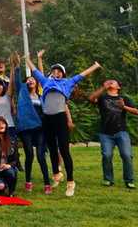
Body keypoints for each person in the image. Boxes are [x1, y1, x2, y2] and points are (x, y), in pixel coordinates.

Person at [27, 52, 101, 197]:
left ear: (63, 74)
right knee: (52, 149)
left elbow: (82, 74)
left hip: (60, 118)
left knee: (64, 150)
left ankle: (71, 182)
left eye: (59, 71)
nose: (56, 73)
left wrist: (95, 66)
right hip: (47, 119)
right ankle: (56, 174)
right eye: (54, 71)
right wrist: (27, 59)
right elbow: (35, 71)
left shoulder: (68, 82)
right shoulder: (46, 82)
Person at [10, 52, 51, 194]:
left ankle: (47, 183)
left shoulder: (41, 95)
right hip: (26, 128)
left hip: (40, 128)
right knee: (29, 155)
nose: (30, 80)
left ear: (36, 82)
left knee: (40, 155)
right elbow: (16, 80)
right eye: (28, 79)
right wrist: (17, 65)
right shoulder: (22, 91)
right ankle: (28, 181)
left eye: (33, 79)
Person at [89, 79, 138, 189]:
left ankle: (129, 180)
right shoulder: (102, 98)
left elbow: (136, 111)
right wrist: (103, 88)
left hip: (121, 132)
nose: (110, 82)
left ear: (118, 87)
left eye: (113, 81)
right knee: (107, 155)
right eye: (109, 81)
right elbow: (91, 98)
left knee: (127, 155)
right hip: (105, 133)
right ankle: (108, 179)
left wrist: (124, 107)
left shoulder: (124, 98)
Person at [0, 117, 19, 196]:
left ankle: (11, 191)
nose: (0, 125)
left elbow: (16, 159)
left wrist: (8, 165)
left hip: (6, 167)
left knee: (11, 171)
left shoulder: (12, 140)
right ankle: (2, 186)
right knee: (1, 187)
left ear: (6, 126)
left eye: (3, 123)